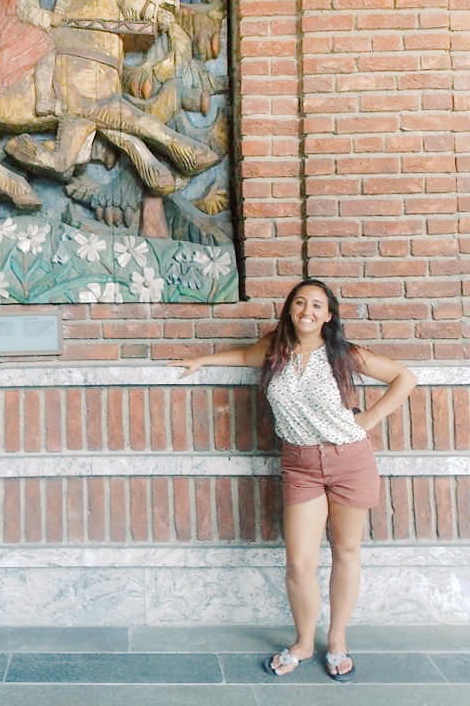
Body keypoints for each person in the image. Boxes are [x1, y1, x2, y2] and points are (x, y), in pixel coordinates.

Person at [171, 278, 416, 682]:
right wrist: (201, 360)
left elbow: (404, 378)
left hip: (349, 460)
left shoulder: (343, 353)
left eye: (317, 305)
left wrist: (369, 419)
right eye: (300, 303)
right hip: (300, 465)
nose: (308, 311)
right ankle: (304, 641)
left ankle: (336, 639)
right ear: (290, 310)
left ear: (329, 316)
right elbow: (242, 356)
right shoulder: (276, 351)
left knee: (346, 551)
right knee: (299, 563)